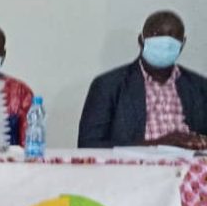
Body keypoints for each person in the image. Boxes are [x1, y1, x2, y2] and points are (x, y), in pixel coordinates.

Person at [78, 10, 207, 149]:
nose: (166, 42)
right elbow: (88, 145)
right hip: (134, 163)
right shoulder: (109, 86)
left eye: (173, 36)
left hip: (190, 162)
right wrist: (160, 144)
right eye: (157, 34)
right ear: (141, 40)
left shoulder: (200, 86)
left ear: (183, 43)